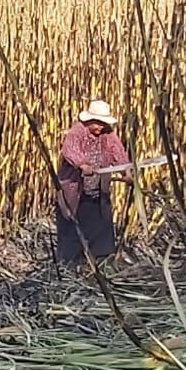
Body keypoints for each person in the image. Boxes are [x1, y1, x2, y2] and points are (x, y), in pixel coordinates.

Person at [54, 99, 133, 264]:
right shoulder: (78, 131)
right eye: (98, 123)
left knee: (101, 225)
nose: (101, 127)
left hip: (97, 192)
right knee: (72, 226)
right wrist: (82, 164)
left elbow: (117, 151)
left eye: (103, 124)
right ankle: (70, 263)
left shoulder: (108, 134)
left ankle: (101, 261)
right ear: (89, 120)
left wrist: (124, 171)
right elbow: (70, 149)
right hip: (75, 191)